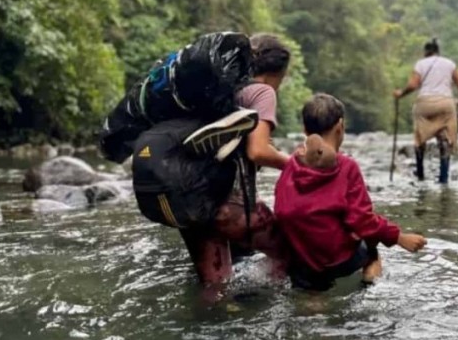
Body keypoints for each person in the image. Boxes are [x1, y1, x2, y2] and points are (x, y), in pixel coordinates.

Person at [274, 94, 428, 291]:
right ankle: (368, 283)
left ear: (305, 130)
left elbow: (282, 207)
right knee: (372, 248)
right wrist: (399, 237)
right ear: (340, 126)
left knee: (312, 296)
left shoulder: (292, 164)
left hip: (301, 261)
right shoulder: (346, 166)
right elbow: (361, 220)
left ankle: (314, 300)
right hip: (337, 260)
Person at [178, 34, 292, 289]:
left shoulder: (220, 88)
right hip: (226, 206)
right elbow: (258, 152)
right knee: (290, 253)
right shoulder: (262, 91)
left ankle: (216, 318)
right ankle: (265, 306)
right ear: (278, 73)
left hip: (189, 203)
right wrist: (297, 164)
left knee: (215, 288)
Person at [393, 39, 458, 183]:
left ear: (426, 52)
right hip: (445, 102)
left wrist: (401, 94)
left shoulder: (421, 64)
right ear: (438, 51)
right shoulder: (449, 63)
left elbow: (413, 85)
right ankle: (443, 178)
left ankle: (420, 174)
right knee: (445, 138)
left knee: (420, 138)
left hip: (425, 103)